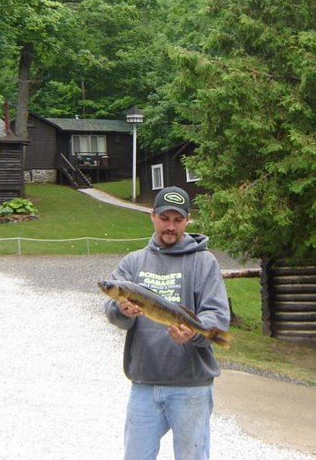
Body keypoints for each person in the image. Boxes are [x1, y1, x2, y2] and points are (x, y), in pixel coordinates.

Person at [103, 186, 231, 460]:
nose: (170, 226)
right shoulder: (133, 263)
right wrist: (121, 310)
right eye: (164, 218)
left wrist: (194, 334)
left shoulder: (204, 262)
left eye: (177, 219)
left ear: (187, 221)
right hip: (144, 385)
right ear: (152, 216)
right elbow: (112, 312)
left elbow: (217, 315)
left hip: (192, 387)